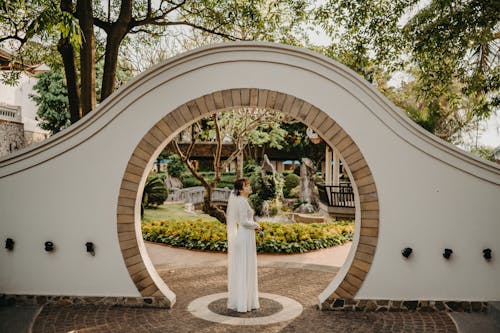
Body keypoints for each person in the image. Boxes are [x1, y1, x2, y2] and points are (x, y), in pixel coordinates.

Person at [226, 178, 261, 312]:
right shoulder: (241, 202)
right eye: (247, 186)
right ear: (241, 190)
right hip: (244, 235)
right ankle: (243, 302)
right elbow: (244, 222)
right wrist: (256, 225)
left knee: (247, 266)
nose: (249, 187)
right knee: (244, 267)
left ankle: (247, 301)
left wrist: (253, 226)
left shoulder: (243, 201)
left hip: (247, 235)